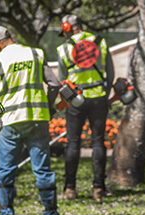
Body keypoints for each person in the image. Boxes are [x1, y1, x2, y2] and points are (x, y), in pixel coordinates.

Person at [0, 25, 64, 215]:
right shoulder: (35, 54)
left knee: (5, 171)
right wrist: (49, 107)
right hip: (37, 118)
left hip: (10, 123)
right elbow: (54, 84)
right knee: (43, 170)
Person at [56, 14, 114, 202]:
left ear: (67, 28)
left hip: (75, 100)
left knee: (73, 143)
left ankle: (70, 189)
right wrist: (103, 92)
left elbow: (63, 81)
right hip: (98, 97)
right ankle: (99, 189)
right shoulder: (99, 42)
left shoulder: (64, 48)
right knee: (98, 142)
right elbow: (110, 73)